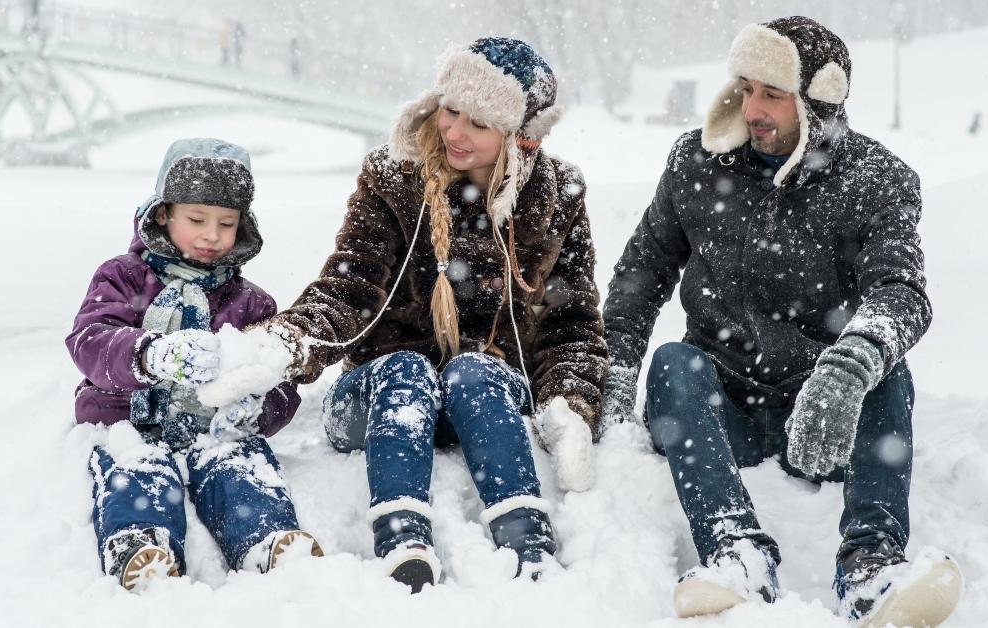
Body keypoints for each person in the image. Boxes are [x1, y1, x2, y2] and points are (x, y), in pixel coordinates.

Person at [600, 17, 962, 626]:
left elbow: (901, 291)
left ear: (818, 101)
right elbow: (640, 278)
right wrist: (612, 374)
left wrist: (848, 368)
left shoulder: (877, 180)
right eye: (745, 88)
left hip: (825, 420)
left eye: (772, 93)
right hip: (720, 412)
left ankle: (871, 567)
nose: (753, 108)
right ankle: (735, 552)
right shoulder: (695, 162)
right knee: (672, 363)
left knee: (886, 369)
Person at [251, 37, 607, 592]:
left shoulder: (559, 193)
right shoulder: (394, 176)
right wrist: (285, 343)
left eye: (480, 123)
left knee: (475, 371)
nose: (455, 132)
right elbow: (351, 285)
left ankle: (526, 539)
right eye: (451, 110)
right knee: (407, 371)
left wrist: (570, 402)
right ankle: (402, 538)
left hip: (482, 400)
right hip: (381, 395)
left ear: (520, 138)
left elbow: (572, 321)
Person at [66, 138, 321, 591]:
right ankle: (140, 542)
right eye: (197, 220)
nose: (211, 236)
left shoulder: (251, 303)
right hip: (128, 419)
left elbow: (278, 379)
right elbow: (90, 339)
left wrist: (258, 407)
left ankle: (265, 538)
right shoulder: (123, 277)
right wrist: (149, 354)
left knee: (240, 465)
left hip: (212, 428)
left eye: (226, 223)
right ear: (163, 213)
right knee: (137, 467)